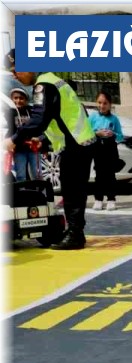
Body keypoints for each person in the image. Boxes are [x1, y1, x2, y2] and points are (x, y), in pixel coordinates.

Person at [7, 69, 95, 249]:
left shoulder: (44, 85)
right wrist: (42, 141)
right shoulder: (53, 81)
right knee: (72, 189)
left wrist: (15, 139)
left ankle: (75, 235)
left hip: (76, 143)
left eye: (16, 70)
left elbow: (40, 118)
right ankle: (75, 232)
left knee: (72, 190)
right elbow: (58, 118)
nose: (15, 75)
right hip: (77, 142)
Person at [88, 91, 123, 211]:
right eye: (99, 103)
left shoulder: (114, 119)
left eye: (105, 103)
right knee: (99, 174)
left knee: (110, 175)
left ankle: (111, 199)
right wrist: (97, 133)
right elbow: (87, 133)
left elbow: (121, 136)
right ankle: (98, 199)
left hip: (110, 148)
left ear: (110, 104)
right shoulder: (93, 117)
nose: (102, 106)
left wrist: (113, 134)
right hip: (98, 147)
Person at [7, 87, 38, 182]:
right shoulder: (10, 112)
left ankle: (39, 192)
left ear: (26, 100)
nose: (18, 100)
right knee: (20, 174)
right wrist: (9, 143)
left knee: (36, 173)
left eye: (21, 98)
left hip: (33, 148)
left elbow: (37, 128)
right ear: (11, 99)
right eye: (15, 98)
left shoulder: (31, 111)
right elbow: (10, 130)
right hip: (19, 149)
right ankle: (23, 194)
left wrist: (42, 143)